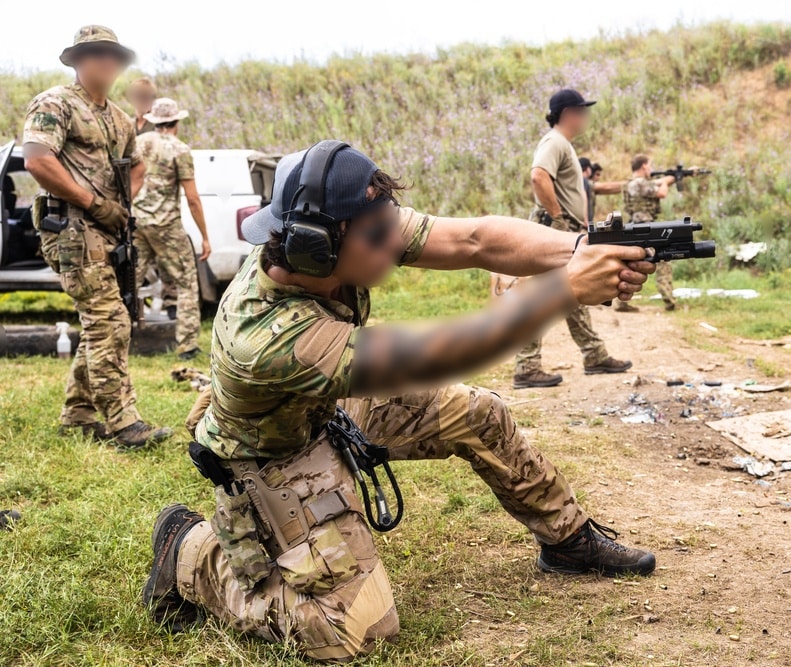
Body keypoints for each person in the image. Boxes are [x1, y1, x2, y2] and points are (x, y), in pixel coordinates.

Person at [142, 141, 658, 662]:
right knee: (349, 632)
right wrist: (564, 288)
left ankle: (567, 540)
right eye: (378, 235)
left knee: (478, 413)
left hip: (329, 407)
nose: (396, 243)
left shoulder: (343, 228)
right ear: (317, 245)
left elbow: (474, 239)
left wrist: (581, 247)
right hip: (273, 455)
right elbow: (432, 356)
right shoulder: (269, 337)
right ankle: (190, 552)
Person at [22, 25, 172, 450]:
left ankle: (79, 412)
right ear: (78, 60)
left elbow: (138, 167)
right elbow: (37, 160)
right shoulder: (56, 103)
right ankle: (125, 422)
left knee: (102, 320)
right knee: (110, 320)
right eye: (94, 54)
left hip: (107, 232)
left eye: (112, 55)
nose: (105, 61)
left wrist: (120, 205)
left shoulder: (120, 119)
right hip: (70, 229)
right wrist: (94, 202)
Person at [514, 89, 632, 389]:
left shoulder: (561, 143)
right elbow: (538, 176)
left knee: (570, 290)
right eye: (582, 111)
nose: (585, 118)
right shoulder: (555, 141)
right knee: (541, 295)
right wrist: (558, 218)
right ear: (568, 114)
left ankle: (594, 354)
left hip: (561, 228)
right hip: (554, 229)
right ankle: (527, 367)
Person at [133, 98, 211, 360]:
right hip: (166, 226)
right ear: (176, 122)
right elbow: (192, 198)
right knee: (187, 282)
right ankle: (187, 346)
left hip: (136, 223)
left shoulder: (138, 143)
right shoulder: (179, 150)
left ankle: (116, 339)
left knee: (128, 282)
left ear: (155, 121)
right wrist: (204, 237)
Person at [623, 154, 678, 311]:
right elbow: (661, 193)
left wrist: (669, 179)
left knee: (630, 263)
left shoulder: (631, 183)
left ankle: (621, 302)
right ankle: (669, 300)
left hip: (634, 225)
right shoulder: (641, 183)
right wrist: (667, 182)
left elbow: (652, 185)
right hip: (647, 227)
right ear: (644, 166)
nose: (652, 169)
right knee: (663, 259)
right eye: (650, 166)